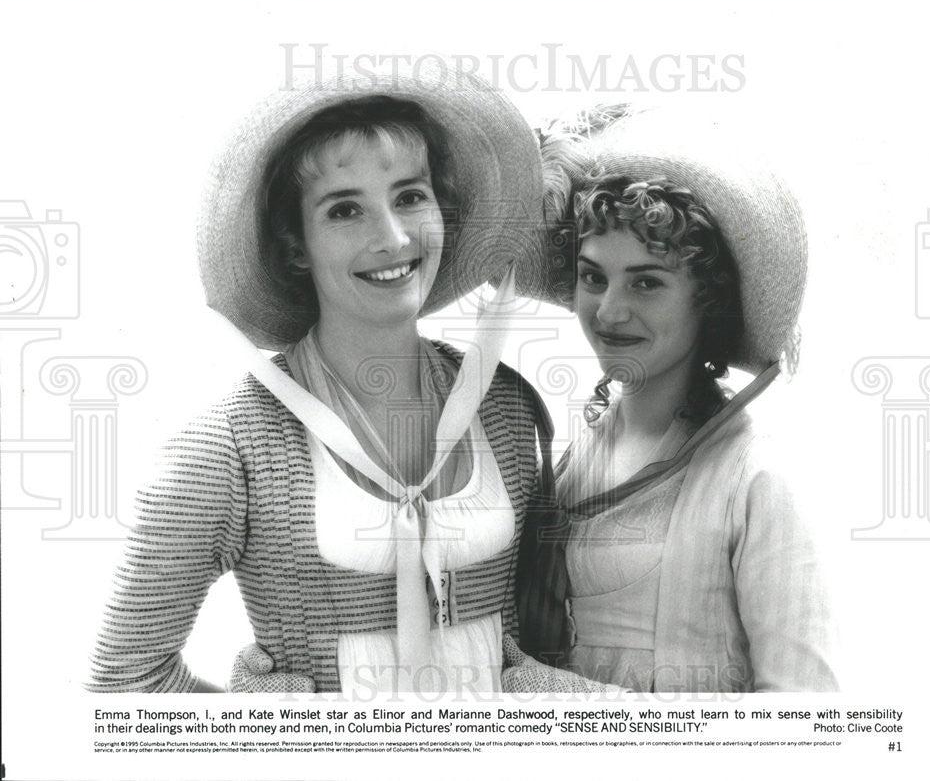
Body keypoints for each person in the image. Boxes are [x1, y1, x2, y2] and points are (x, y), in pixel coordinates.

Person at [86, 63, 546, 694]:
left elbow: (522, 643)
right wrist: (280, 734)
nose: (392, 237)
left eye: (411, 196)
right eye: (344, 210)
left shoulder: (506, 407)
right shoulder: (227, 448)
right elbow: (124, 683)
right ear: (296, 245)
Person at [512, 120, 839, 693]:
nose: (609, 312)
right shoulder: (575, 460)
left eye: (646, 284)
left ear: (705, 300)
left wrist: (580, 705)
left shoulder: (755, 480)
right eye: (594, 277)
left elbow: (808, 717)